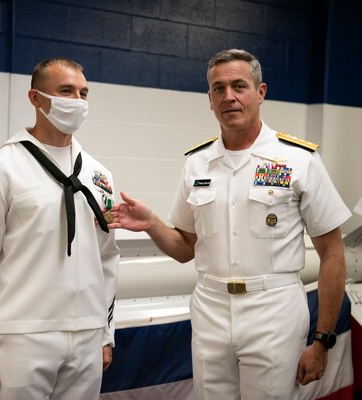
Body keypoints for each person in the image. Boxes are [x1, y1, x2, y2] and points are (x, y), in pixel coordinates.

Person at [108, 49, 351, 399]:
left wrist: (323, 340)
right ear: (209, 100)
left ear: (260, 92)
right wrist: (151, 224)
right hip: (210, 309)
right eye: (218, 89)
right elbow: (184, 249)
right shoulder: (197, 164)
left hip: (274, 310)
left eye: (239, 86)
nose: (229, 97)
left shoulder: (298, 160)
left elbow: (332, 255)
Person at [0, 58, 120, 399]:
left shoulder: (98, 175)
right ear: (36, 98)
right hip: (23, 334)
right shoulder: (0, 170)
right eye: (65, 91)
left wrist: (105, 333)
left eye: (83, 92)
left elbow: (108, 259)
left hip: (88, 332)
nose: (77, 100)